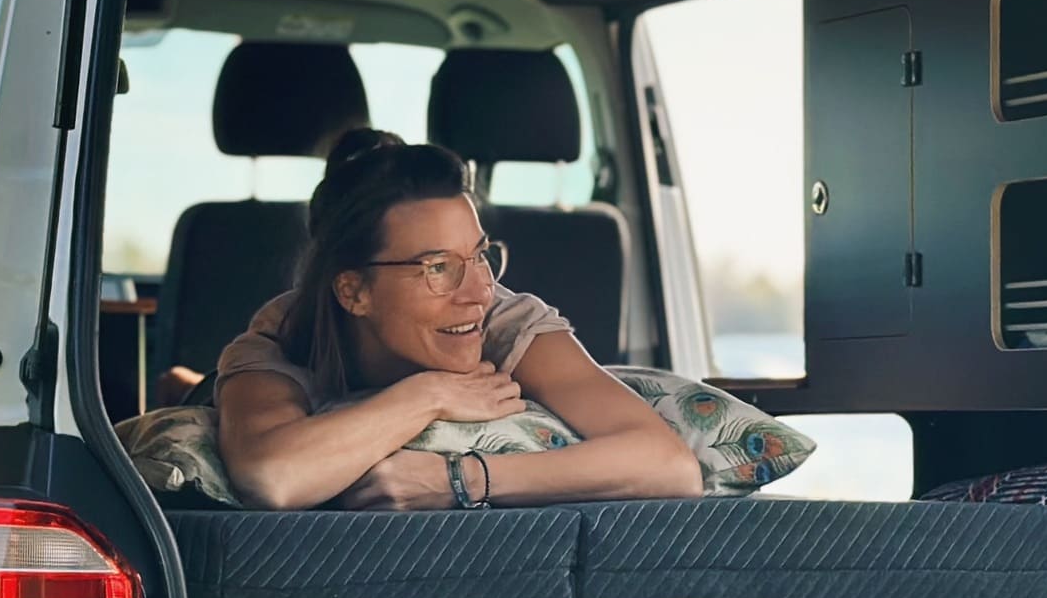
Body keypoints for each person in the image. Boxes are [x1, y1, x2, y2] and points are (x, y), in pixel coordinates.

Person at [214, 129, 701, 510]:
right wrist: (431, 395)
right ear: (353, 291)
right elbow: (271, 477)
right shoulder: (281, 337)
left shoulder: (508, 322)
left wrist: (462, 479)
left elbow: (669, 465)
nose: (478, 292)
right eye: (438, 268)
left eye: (480, 255)